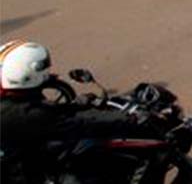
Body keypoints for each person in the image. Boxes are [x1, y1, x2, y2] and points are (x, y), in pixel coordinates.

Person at [1, 40, 151, 183]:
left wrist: (77, 104)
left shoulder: (12, 101)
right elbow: (80, 123)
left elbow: (51, 115)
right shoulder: (26, 114)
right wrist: (127, 118)